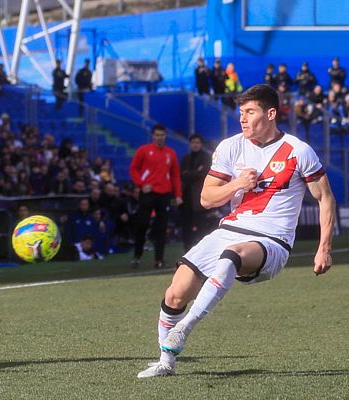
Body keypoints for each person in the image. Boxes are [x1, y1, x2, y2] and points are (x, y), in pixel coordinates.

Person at [137, 84, 335, 378]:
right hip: (229, 229)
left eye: (249, 112)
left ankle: (184, 328)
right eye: (240, 113)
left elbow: (325, 198)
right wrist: (237, 184)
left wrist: (324, 248)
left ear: (270, 113)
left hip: (272, 240)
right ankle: (166, 363)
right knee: (175, 293)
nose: (242, 119)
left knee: (232, 255)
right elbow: (206, 198)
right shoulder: (231, 147)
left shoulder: (298, 151)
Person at [129, 124, 182, 269]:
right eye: (157, 135)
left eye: (162, 135)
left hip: (164, 195)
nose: (159, 137)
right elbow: (133, 168)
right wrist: (141, 184)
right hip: (147, 194)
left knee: (162, 228)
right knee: (142, 225)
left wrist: (178, 194)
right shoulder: (144, 150)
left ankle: (158, 259)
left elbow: (175, 175)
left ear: (165, 136)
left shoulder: (170, 153)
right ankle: (137, 256)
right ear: (153, 136)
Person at [179, 134, 213, 251]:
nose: (195, 144)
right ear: (190, 144)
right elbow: (182, 175)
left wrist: (190, 173)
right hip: (186, 197)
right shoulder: (185, 158)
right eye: (193, 142)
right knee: (186, 226)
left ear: (201, 144)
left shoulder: (206, 158)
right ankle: (187, 250)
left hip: (200, 197)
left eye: (197, 142)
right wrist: (195, 172)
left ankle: (203, 251)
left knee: (202, 226)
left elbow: (203, 173)